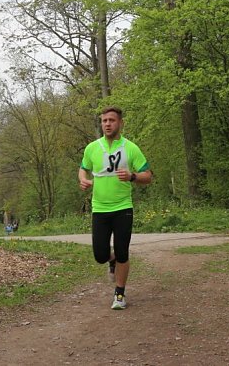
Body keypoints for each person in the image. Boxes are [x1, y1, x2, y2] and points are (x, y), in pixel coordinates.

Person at [78, 106, 152, 310]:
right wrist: (83, 180)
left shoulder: (130, 148)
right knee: (100, 254)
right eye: (104, 121)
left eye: (111, 120)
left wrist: (132, 176)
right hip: (100, 208)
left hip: (123, 207)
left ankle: (119, 294)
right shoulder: (92, 148)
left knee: (122, 252)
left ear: (120, 123)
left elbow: (148, 175)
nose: (107, 124)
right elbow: (83, 169)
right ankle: (111, 261)